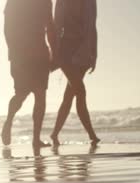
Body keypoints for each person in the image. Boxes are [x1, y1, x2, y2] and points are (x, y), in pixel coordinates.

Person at [2, 0, 56, 148]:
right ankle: (9, 120)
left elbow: (50, 26)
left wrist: (54, 52)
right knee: (22, 94)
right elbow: (7, 28)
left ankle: (36, 139)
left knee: (40, 95)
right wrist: (14, 52)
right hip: (22, 55)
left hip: (39, 53)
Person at [49, 0, 100, 146]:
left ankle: (54, 134)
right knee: (80, 91)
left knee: (69, 96)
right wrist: (55, 55)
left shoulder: (91, 2)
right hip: (65, 53)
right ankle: (92, 135)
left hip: (83, 53)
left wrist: (94, 54)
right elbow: (56, 26)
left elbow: (92, 27)